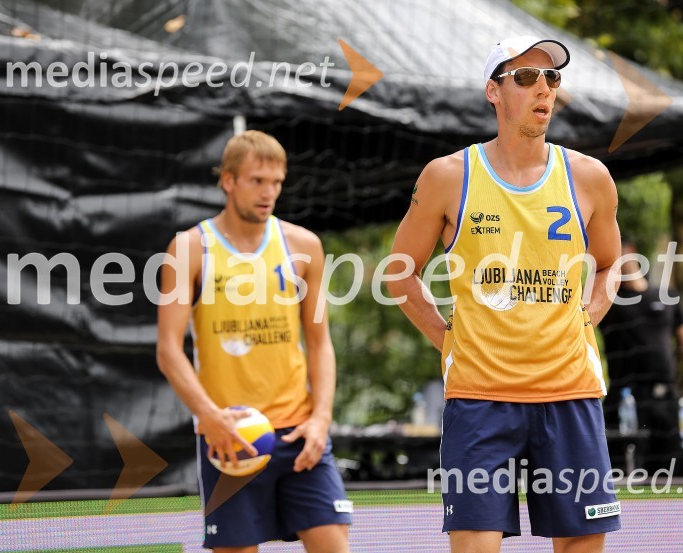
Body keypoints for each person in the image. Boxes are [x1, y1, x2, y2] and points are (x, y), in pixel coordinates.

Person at [387, 35, 622, 553]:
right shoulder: (449, 176)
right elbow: (399, 276)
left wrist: (586, 318)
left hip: (569, 394)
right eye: (525, 77)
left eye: (552, 77)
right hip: (479, 400)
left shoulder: (588, 177)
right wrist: (448, 340)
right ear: (493, 91)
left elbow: (610, 266)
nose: (543, 88)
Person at [156, 131, 351, 553]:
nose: (269, 193)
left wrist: (321, 418)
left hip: (299, 431)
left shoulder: (304, 246)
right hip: (230, 436)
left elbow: (320, 344)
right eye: (257, 181)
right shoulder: (189, 248)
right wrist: (208, 417)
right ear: (228, 181)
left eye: (277, 183)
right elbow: (169, 350)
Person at [599, 239, 683, 476]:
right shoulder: (606, 302)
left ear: (633, 252)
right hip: (624, 404)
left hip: (665, 404)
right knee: (622, 477)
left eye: (619, 252)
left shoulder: (666, 297)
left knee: (674, 474)